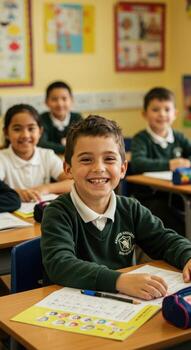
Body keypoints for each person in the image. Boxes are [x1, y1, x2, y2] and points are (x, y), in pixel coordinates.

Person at [41, 115, 191, 301]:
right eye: (86, 160)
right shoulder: (57, 212)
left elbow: (166, 241)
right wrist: (119, 281)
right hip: (71, 309)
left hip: (122, 307)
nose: (99, 168)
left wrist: (187, 256)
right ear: (68, 169)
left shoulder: (130, 208)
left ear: (122, 169)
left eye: (109, 159)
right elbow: (60, 265)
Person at [131, 87, 191, 235]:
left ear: (175, 113)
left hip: (178, 194)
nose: (162, 114)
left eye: (167, 109)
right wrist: (169, 164)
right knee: (165, 215)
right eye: (156, 109)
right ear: (144, 114)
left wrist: (187, 163)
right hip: (150, 197)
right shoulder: (141, 139)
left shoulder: (179, 137)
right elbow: (138, 163)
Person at [0, 104, 72, 202]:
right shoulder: (2, 158)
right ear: (6, 133)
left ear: (40, 131)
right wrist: (17, 193)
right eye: (17, 129)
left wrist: (45, 188)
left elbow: (73, 182)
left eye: (31, 129)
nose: (25, 135)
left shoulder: (47, 155)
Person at [38, 81, 82, 154]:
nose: (60, 104)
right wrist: (68, 147)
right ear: (46, 102)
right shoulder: (42, 119)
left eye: (64, 99)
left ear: (71, 100)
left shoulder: (77, 118)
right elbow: (42, 144)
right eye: (54, 99)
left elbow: (84, 141)